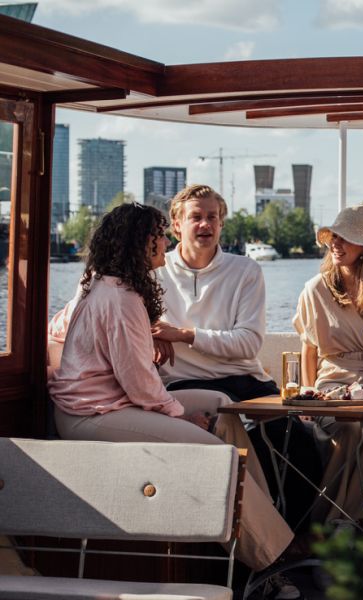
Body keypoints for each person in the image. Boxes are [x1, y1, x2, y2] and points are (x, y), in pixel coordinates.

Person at [47, 203, 295, 582]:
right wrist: (180, 416)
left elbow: (63, 333)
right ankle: (271, 560)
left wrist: (142, 336)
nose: (166, 241)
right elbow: (140, 383)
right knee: (217, 454)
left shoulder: (101, 285)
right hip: (93, 415)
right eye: (159, 234)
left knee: (221, 405)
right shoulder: (120, 297)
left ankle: (262, 522)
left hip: (116, 403)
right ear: (141, 243)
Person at [151, 184, 321, 538]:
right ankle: (257, 543)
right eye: (195, 217)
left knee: (298, 442)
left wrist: (183, 335)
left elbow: (247, 344)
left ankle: (299, 540)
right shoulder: (154, 271)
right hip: (184, 383)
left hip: (243, 379)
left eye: (212, 217)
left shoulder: (245, 271)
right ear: (176, 224)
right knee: (246, 448)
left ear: (221, 224)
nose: (205, 225)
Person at [293, 205, 363, 522]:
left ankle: (326, 522)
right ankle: (358, 518)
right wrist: (306, 394)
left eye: (346, 238)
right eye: (334, 236)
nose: (336, 244)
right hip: (332, 382)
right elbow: (309, 349)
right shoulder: (315, 289)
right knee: (351, 424)